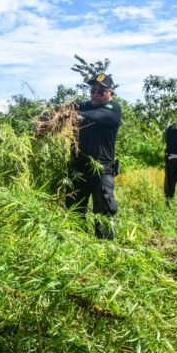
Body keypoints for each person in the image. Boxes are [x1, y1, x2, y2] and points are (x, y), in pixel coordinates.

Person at [66, 73, 123, 240]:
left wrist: (74, 114)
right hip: (78, 171)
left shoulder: (113, 109)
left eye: (101, 91)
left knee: (104, 212)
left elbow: (97, 116)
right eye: (93, 91)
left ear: (110, 93)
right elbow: (62, 110)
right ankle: (78, 247)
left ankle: (106, 252)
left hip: (102, 171)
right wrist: (48, 118)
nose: (95, 94)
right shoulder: (84, 107)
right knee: (74, 212)